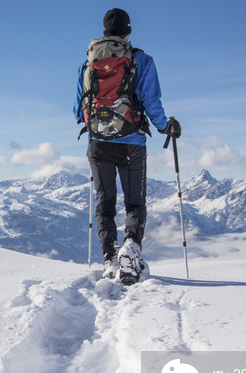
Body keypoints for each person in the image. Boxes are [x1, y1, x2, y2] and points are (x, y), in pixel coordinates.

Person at [73, 8, 180, 283]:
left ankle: (110, 259)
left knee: (104, 205)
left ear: (104, 32)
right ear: (128, 32)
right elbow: (152, 101)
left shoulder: (87, 64)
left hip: (98, 144)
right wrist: (165, 126)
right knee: (134, 203)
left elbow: (78, 109)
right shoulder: (140, 60)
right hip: (131, 143)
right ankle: (131, 249)